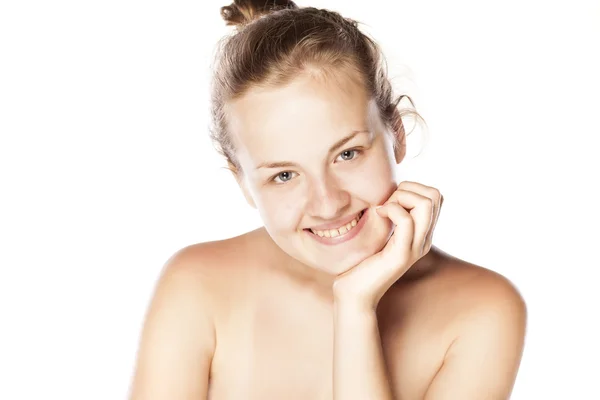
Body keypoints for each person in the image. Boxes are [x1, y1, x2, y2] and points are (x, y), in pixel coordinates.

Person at [128, 1, 527, 399]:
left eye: (347, 154)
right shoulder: (197, 284)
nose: (327, 203)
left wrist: (355, 308)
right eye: (284, 175)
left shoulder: (484, 310)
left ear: (397, 134)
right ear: (245, 184)